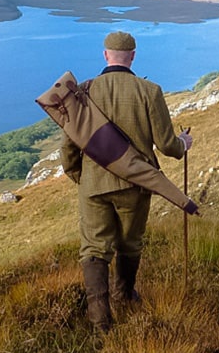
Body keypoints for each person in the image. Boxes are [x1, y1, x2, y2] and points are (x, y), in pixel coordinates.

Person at [60, 31, 192, 332]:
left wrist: (81, 177)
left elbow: (68, 147)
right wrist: (185, 143)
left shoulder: (83, 91)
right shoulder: (149, 91)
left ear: (105, 55)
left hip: (94, 185)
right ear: (132, 56)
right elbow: (167, 145)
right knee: (130, 244)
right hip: (135, 185)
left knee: (94, 248)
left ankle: (100, 320)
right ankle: (124, 295)